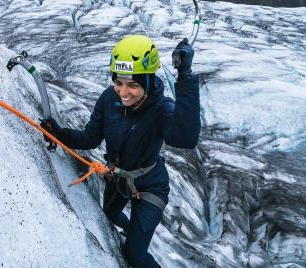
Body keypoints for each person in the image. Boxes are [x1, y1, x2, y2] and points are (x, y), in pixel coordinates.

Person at [42, 35, 200, 268]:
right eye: (119, 82)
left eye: (133, 85)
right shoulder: (109, 98)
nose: (123, 92)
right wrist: (59, 133)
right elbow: (91, 137)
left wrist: (185, 76)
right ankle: (131, 230)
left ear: (147, 81)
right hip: (118, 180)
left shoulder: (161, 108)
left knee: (134, 256)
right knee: (107, 217)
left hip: (151, 186)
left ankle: (136, 240)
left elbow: (186, 138)